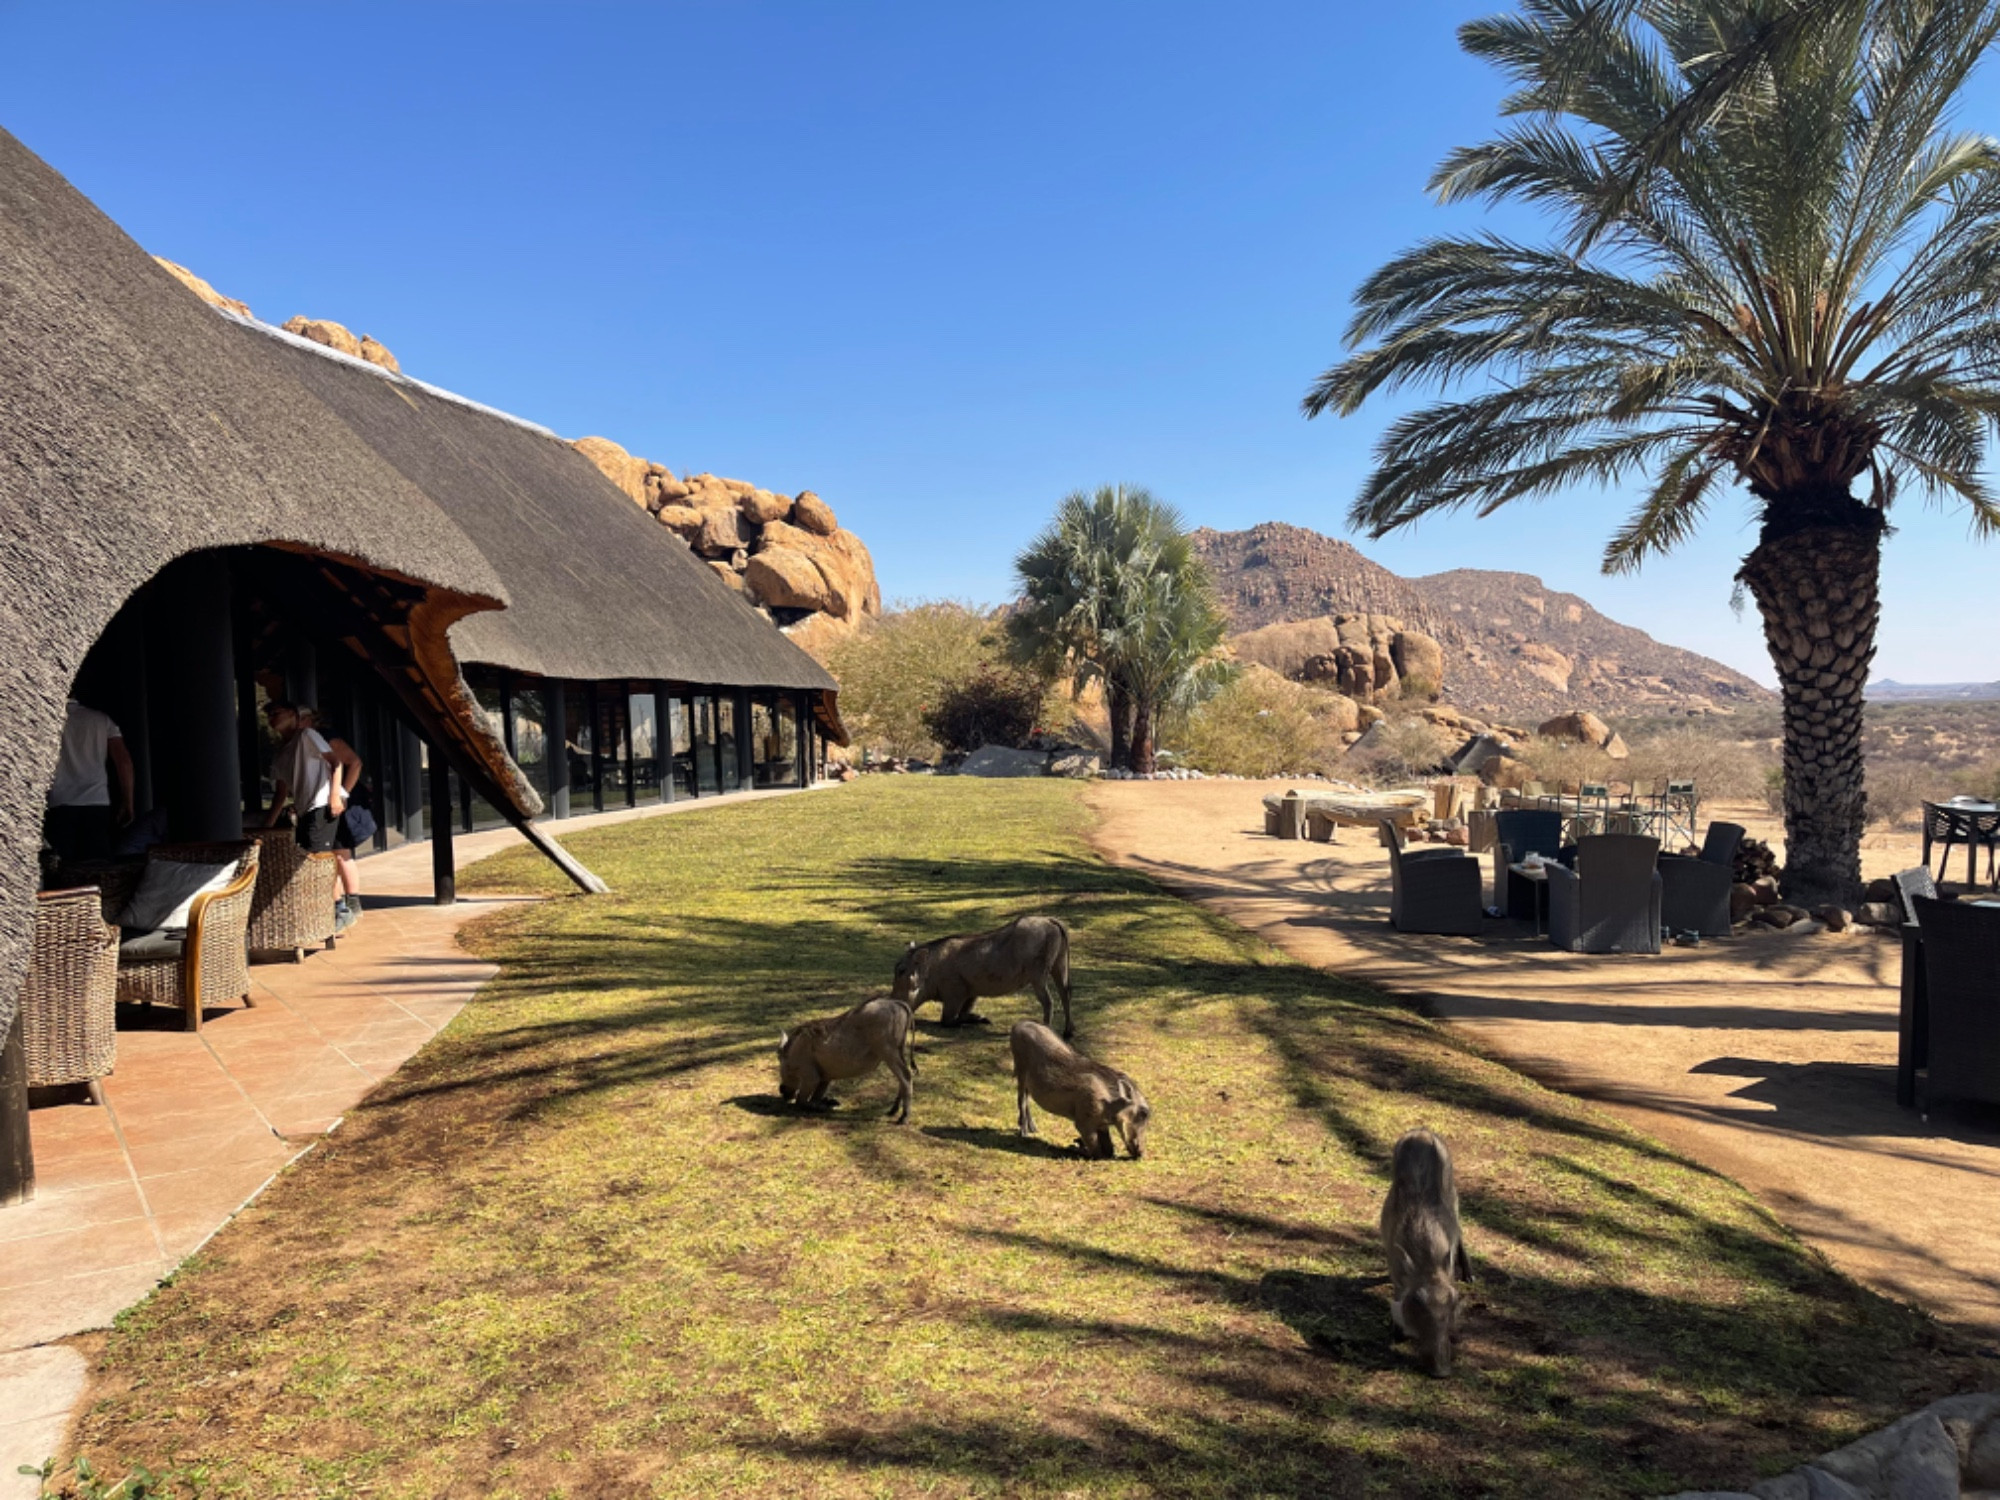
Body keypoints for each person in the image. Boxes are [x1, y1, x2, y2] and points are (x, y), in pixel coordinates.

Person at [262, 700, 361, 932]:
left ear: (294, 715)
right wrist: (268, 824)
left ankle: (340, 910)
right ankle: (331, 910)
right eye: (269, 715)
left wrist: (335, 796)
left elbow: (336, 763)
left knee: (320, 859)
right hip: (305, 809)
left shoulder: (307, 735)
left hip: (321, 804)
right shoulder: (281, 754)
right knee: (315, 858)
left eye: (278, 712)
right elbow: (281, 793)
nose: (273, 717)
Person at [44, 696, 134, 864]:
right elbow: (124, 762)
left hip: (59, 803)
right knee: (96, 866)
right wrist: (128, 802)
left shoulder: (45, 721)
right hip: (96, 802)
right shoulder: (101, 720)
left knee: (61, 870)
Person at [301, 707, 368, 928]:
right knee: (330, 855)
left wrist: (342, 794)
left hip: (336, 803)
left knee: (340, 853)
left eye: (300, 718)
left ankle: (352, 902)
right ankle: (339, 906)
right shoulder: (301, 743)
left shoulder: (325, 737)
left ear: (310, 719)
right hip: (321, 802)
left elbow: (354, 763)